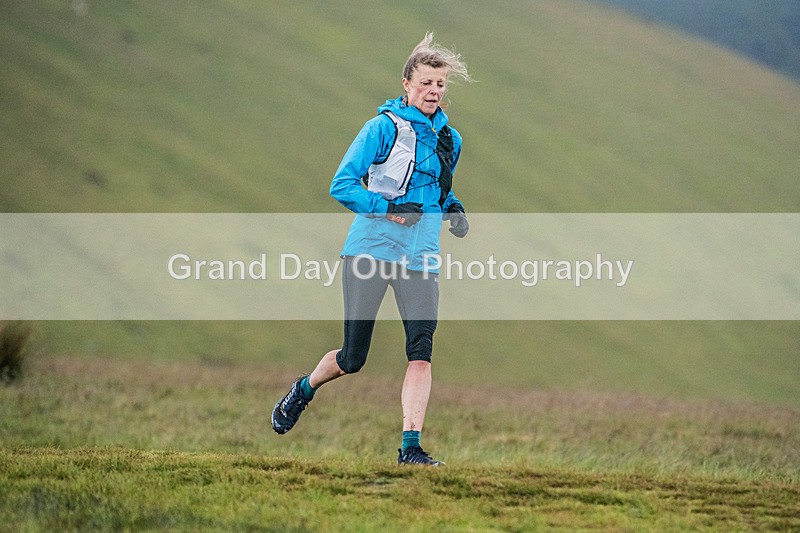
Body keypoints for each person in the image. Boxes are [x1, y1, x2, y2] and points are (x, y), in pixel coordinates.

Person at [271, 33, 473, 466]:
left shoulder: (450, 141)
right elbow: (341, 184)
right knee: (353, 357)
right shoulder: (380, 128)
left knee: (421, 349)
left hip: (421, 257)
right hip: (371, 250)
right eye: (425, 82)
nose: (434, 91)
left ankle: (411, 448)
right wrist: (388, 209)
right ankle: (303, 389)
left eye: (440, 84)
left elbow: (439, 192)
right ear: (406, 83)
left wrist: (453, 211)